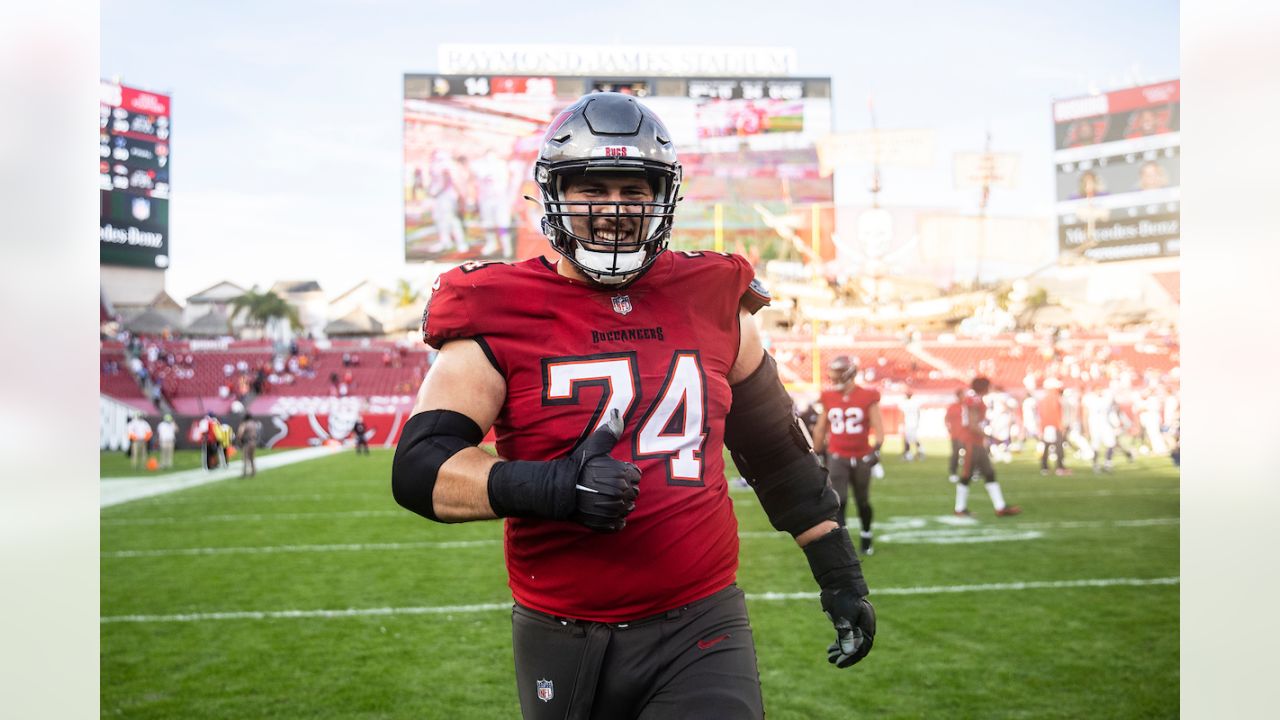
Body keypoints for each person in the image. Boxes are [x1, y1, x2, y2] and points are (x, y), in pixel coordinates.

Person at [392, 92, 874, 720]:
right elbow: (421, 468)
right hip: (561, 630)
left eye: (634, 188)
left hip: (701, 621)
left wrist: (838, 570)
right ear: (553, 194)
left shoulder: (713, 294)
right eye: (592, 188)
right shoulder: (494, 306)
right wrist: (555, 486)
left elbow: (775, 452)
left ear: (662, 198)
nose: (614, 208)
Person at [812, 356, 883, 556]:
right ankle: (843, 542)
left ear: (848, 373)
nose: (833, 379)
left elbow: (878, 425)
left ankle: (866, 534)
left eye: (836, 374)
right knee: (839, 499)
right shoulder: (828, 396)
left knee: (862, 500)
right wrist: (816, 453)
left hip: (861, 456)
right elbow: (820, 428)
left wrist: (877, 448)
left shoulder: (868, 395)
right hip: (837, 455)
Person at [953, 377, 1022, 518]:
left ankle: (1000, 507)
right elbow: (972, 425)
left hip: (976, 442)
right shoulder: (974, 400)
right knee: (967, 474)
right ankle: (960, 508)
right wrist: (991, 438)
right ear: (983, 387)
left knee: (989, 473)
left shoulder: (974, 398)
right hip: (972, 442)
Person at [1038, 381, 1070, 476]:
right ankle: (1060, 467)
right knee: (1059, 447)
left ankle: (1044, 468)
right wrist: (1061, 426)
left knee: (1046, 447)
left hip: (1046, 426)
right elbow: (1057, 413)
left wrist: (1042, 427)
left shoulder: (1043, 399)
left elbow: (1041, 415)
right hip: (1055, 426)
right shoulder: (1056, 399)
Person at [944, 388, 965, 484]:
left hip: (966, 435)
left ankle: (970, 472)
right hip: (956, 434)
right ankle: (953, 473)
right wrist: (948, 428)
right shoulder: (953, 407)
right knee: (955, 454)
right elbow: (946, 418)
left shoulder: (967, 406)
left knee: (971, 454)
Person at [899, 389, 923, 461]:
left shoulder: (905, 403)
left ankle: (908, 455)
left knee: (907, 440)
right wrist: (918, 421)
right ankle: (921, 451)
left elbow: (902, 414)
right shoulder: (915, 402)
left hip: (908, 423)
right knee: (914, 439)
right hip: (914, 423)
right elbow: (918, 413)